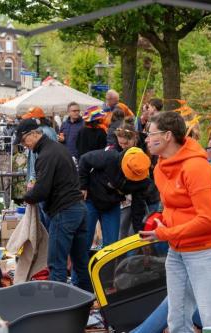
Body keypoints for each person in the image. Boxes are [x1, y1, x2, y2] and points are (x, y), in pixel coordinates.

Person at [140, 111, 211, 332]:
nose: (146, 139)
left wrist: (165, 234)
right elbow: (174, 207)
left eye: (151, 134)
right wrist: (160, 221)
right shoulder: (161, 167)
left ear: (168, 135)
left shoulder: (195, 167)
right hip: (177, 251)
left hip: (207, 252)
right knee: (177, 320)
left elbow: (208, 219)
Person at [16, 118, 92, 291]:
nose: (24, 145)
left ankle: (58, 310)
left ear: (34, 134)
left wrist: (27, 197)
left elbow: (42, 190)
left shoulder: (46, 155)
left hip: (64, 212)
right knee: (80, 264)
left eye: (23, 141)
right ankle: (89, 303)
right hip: (79, 209)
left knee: (57, 264)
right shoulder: (58, 148)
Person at [79, 147, 151, 248]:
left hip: (112, 205)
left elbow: (138, 207)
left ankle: (108, 264)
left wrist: (140, 232)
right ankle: (79, 264)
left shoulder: (143, 182)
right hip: (91, 199)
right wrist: (83, 186)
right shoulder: (110, 157)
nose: (129, 177)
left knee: (111, 246)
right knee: (84, 241)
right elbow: (84, 159)